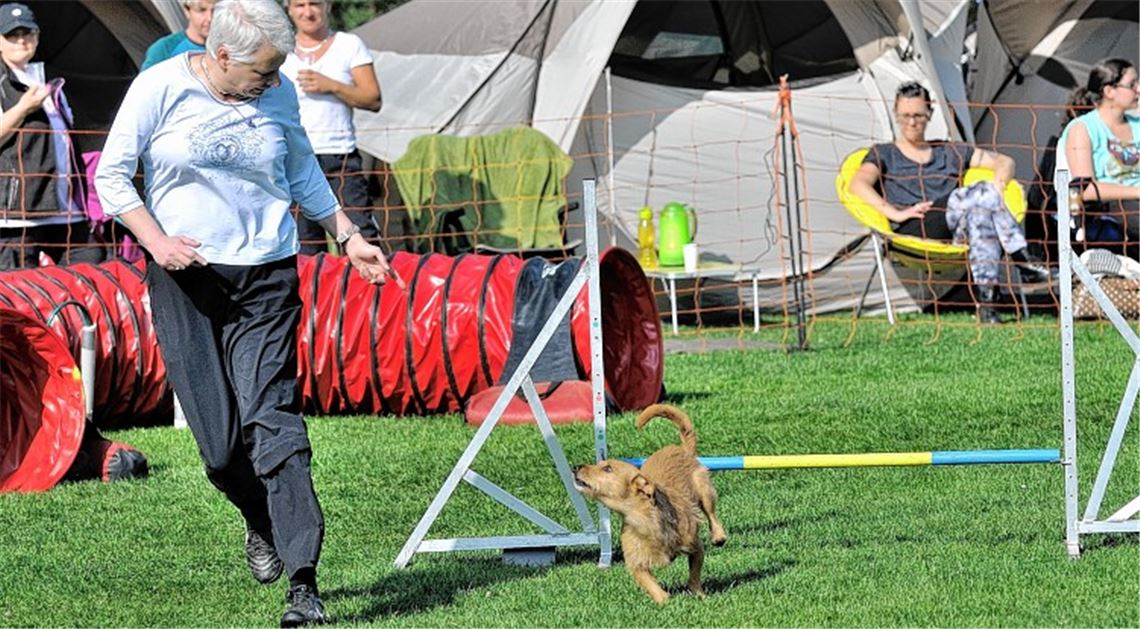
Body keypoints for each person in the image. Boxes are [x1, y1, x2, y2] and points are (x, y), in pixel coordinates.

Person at [95, 1, 394, 625]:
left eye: (277, 70)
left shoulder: (277, 93)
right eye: (261, 70)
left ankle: (304, 583)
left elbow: (301, 168)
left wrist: (346, 233)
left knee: (275, 422)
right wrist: (157, 241)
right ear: (222, 55)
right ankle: (259, 519)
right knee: (221, 450)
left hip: (266, 273)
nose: (272, 81)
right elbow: (114, 178)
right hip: (185, 279)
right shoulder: (161, 85)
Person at [850, 82, 1057, 324]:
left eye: (918, 115)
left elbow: (1005, 161)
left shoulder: (949, 150)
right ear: (896, 115)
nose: (912, 123)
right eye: (905, 116)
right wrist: (895, 214)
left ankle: (987, 306)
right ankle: (1023, 260)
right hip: (914, 226)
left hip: (953, 226)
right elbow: (858, 183)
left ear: (929, 114)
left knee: (981, 213)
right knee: (978, 199)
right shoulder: (883, 153)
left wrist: (995, 191)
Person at [0, 2, 99, 269]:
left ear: (38, 36)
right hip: (17, 214)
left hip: (65, 206)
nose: (21, 40)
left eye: (27, 33)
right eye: (12, 34)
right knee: (20, 293)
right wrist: (23, 108)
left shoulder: (46, 78)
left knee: (89, 269)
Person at [281, 0, 382, 255]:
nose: (307, 11)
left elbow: (373, 99)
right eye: (299, 5)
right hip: (295, 159)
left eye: (314, 3)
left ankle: (370, 294)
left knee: (361, 235)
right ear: (289, 9)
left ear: (327, 6)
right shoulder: (280, 51)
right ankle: (315, 296)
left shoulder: (349, 45)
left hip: (341, 157)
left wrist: (333, 86)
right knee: (305, 245)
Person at [1059, 58, 1140, 257]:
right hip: (1110, 207)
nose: (1138, 89)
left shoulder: (1137, 124)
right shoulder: (1083, 129)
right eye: (1132, 85)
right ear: (1109, 91)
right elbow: (1084, 190)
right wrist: (1137, 192)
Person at [140, 0, 215, 71]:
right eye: (201, 10)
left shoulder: (224, 46)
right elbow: (145, 83)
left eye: (215, 11)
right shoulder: (164, 49)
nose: (209, 18)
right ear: (187, 11)